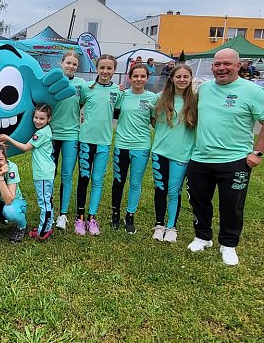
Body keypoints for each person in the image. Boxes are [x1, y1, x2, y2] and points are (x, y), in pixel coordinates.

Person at [186, 48, 264, 266]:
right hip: (201, 158)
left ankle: (228, 244)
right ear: (212, 67)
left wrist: (257, 153)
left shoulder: (253, 91)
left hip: (234, 160)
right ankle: (203, 237)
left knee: (232, 205)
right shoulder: (204, 89)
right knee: (199, 201)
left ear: (238, 66)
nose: (221, 68)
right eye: (217, 64)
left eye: (227, 64)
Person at [75, 54, 122, 236]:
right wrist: (80, 119)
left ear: (114, 70)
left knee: (97, 180)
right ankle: (79, 218)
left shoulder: (118, 91)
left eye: (109, 68)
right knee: (83, 178)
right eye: (102, 67)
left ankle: (92, 217)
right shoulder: (86, 88)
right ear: (96, 68)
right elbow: (77, 105)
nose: (105, 71)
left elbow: (117, 111)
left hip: (104, 142)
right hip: (86, 141)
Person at [151, 63, 197, 243]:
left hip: (182, 154)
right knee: (160, 189)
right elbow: (152, 120)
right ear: (172, 78)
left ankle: (171, 227)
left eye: (185, 77)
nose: (182, 80)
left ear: (191, 79)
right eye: (178, 76)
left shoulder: (195, 101)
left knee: (173, 191)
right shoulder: (159, 98)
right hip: (159, 152)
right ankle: (159, 225)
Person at [109, 64, 157, 234]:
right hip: (122, 144)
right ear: (129, 78)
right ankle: (115, 214)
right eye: (135, 76)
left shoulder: (153, 98)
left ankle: (130, 215)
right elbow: (110, 113)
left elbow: (155, 122)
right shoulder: (122, 95)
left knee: (135, 183)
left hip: (141, 146)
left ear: (147, 78)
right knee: (118, 181)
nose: (139, 79)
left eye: (142, 76)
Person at [0, 103, 56, 240]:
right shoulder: (45, 130)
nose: (38, 121)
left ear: (49, 119)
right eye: (36, 117)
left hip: (43, 173)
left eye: (42, 118)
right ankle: (46, 226)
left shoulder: (41, 133)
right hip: (46, 171)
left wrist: (7, 138)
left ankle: (43, 231)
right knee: (47, 199)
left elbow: (25, 147)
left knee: (44, 202)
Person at [50, 51, 87, 231]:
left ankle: (62, 214)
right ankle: (48, 211)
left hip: (72, 135)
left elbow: (86, 101)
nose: (71, 66)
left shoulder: (81, 84)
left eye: (74, 64)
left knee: (67, 175)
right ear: (61, 63)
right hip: (51, 134)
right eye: (68, 63)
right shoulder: (53, 81)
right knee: (49, 174)